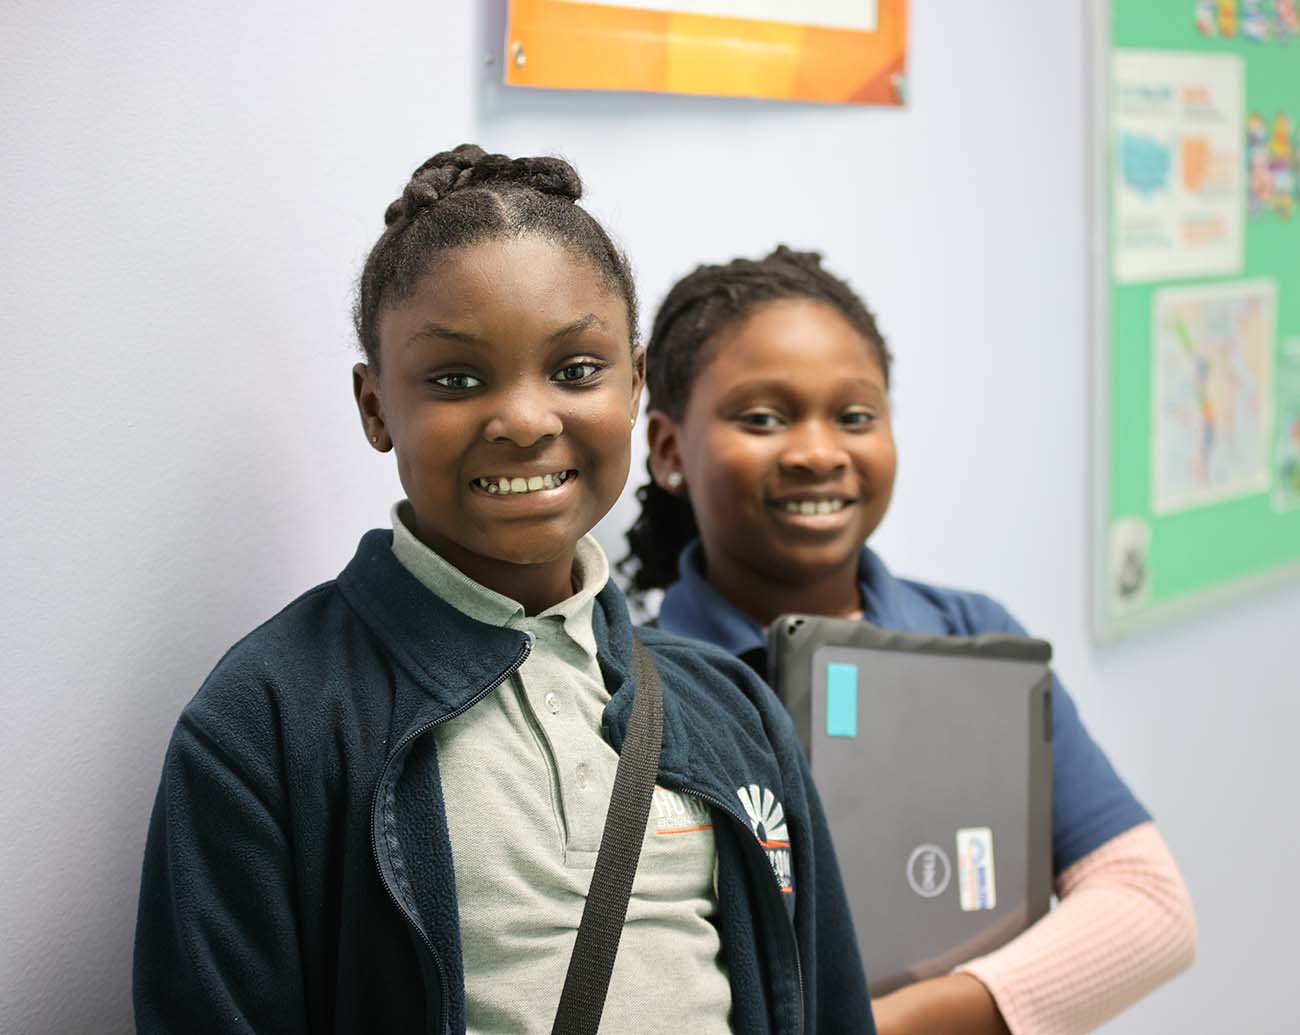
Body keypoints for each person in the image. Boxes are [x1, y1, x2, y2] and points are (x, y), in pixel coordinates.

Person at [132, 152, 874, 1034]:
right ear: (375, 405)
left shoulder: (733, 710)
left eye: (575, 369)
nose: (525, 420)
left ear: (635, 384)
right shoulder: (267, 718)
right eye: (455, 379)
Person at [623, 246, 1197, 1035]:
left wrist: (888, 1024)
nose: (819, 451)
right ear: (667, 449)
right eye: (762, 417)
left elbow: (1148, 906)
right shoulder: (636, 686)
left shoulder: (973, 634)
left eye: (855, 416)